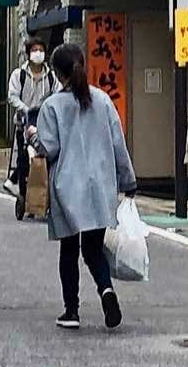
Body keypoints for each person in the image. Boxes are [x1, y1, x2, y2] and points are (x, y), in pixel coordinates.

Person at [27, 40, 136, 330]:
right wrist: (128, 180)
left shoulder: (52, 106)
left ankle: (71, 310)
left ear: (56, 72)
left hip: (67, 186)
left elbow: (48, 149)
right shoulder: (102, 100)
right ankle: (106, 291)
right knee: (93, 249)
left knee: (69, 249)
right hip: (101, 185)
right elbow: (117, 144)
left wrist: (32, 135)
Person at [7, 38, 55, 222]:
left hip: (45, 126)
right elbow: (12, 96)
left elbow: (56, 95)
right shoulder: (19, 75)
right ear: (28, 54)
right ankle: (25, 195)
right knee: (24, 161)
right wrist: (25, 109)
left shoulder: (51, 77)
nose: (38, 53)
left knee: (46, 162)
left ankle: (44, 197)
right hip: (23, 124)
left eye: (41, 49)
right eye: (34, 50)